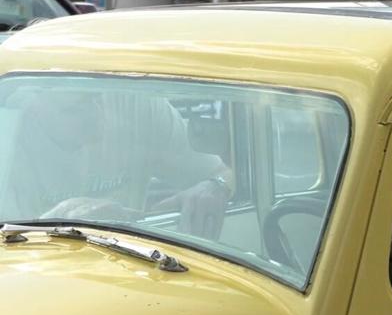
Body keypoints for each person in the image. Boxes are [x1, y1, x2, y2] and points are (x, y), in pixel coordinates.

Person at [0, 88, 233, 240]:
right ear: (29, 104)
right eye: (74, 109)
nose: (98, 118)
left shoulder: (135, 103)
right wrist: (58, 222)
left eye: (97, 97)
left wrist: (216, 185)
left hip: (133, 263)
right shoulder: (8, 133)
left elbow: (227, 172)